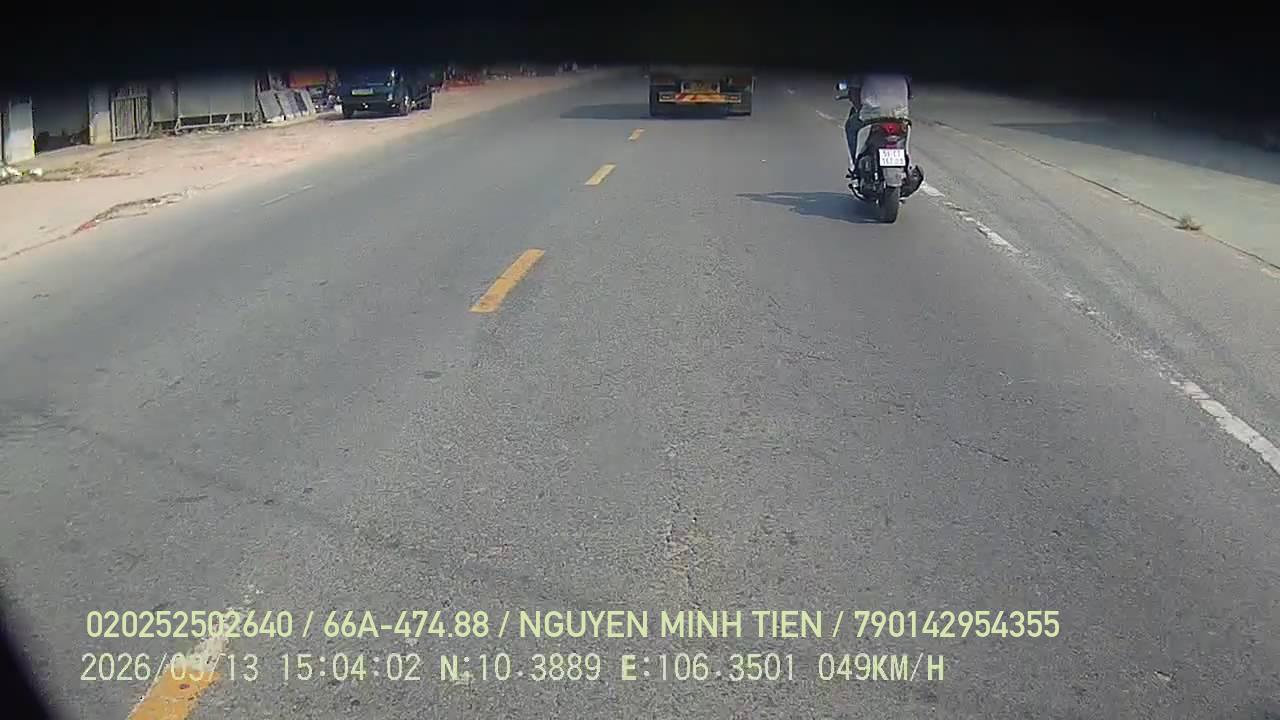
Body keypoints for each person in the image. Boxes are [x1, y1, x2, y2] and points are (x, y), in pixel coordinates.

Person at [843, 72, 914, 178]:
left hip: (872, 115)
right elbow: (909, 93)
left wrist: (861, 109)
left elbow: (854, 93)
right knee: (903, 135)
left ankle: (855, 164)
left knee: (850, 127)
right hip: (900, 115)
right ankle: (908, 165)